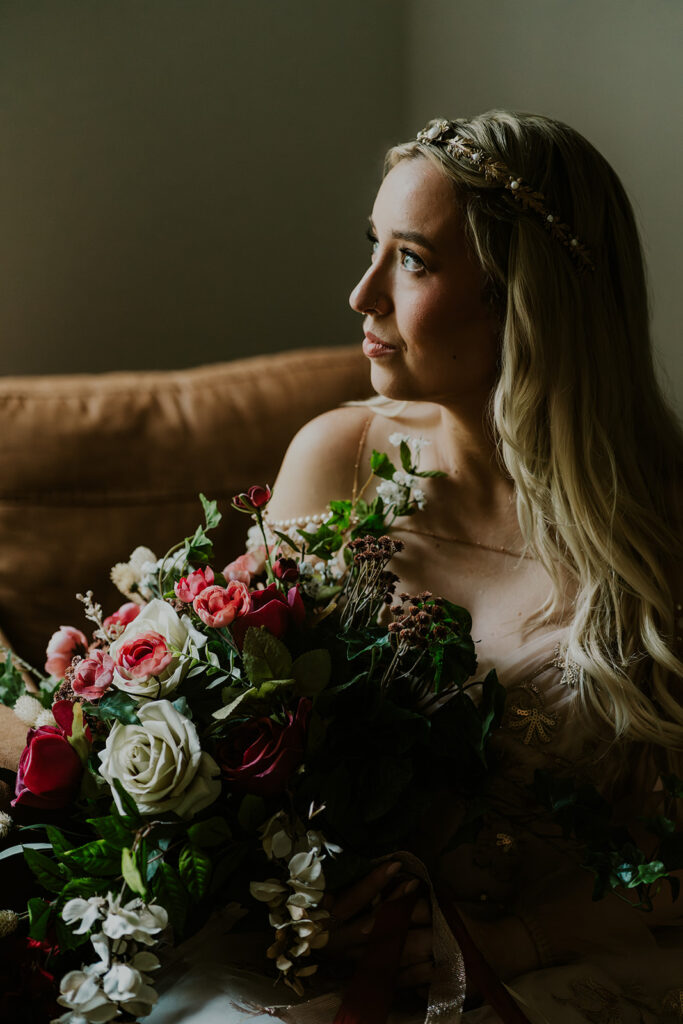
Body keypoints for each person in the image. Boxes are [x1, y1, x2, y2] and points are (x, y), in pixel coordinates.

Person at [149, 112, 683, 1023]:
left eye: (412, 261)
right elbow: (238, 730)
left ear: (521, 298)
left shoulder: (657, 527)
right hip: (321, 956)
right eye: (374, 248)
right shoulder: (336, 457)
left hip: (549, 962)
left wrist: (485, 947)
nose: (361, 295)